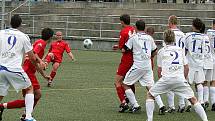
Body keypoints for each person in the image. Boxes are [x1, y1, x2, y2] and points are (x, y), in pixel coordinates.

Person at [146, 29, 208, 121]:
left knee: (150, 95)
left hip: (166, 79)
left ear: (164, 39)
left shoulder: (161, 51)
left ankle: (150, 119)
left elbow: (159, 70)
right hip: (179, 79)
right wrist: (183, 78)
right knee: (193, 100)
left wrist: (163, 81)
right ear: (174, 39)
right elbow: (186, 67)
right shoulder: (180, 50)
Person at [0, 15, 50, 121]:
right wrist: (40, 62)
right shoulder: (23, 36)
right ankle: (27, 117)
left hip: (1, 68)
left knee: (0, 94)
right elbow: (32, 56)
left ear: (10, 23)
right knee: (29, 89)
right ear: (20, 24)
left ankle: (22, 114)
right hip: (14, 68)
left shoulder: (1, 33)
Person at [123, 19, 165, 114]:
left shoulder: (133, 37)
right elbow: (155, 50)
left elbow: (125, 49)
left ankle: (135, 105)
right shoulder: (149, 38)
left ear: (135, 27)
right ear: (144, 27)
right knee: (151, 87)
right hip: (147, 66)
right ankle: (161, 106)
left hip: (138, 65)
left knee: (125, 84)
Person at [165, 15, 188, 113]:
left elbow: (165, 48)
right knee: (181, 82)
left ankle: (171, 106)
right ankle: (182, 104)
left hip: (170, 60)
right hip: (181, 60)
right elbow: (185, 48)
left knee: (169, 83)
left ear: (170, 22)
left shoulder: (168, 33)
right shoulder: (183, 34)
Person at [114, 14, 136, 113]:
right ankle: (132, 103)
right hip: (135, 59)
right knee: (130, 82)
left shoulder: (123, 31)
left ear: (122, 22)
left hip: (126, 59)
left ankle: (124, 103)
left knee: (117, 82)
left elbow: (123, 48)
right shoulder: (133, 29)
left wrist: (118, 47)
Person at [184, 18, 205, 109]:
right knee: (199, 83)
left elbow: (185, 49)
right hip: (199, 62)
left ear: (193, 26)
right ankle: (201, 101)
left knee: (187, 83)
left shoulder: (188, 35)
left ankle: (189, 103)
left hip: (190, 62)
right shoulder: (203, 37)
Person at [206, 20, 215, 111]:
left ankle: (204, 101)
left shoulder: (208, 32)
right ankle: (213, 102)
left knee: (205, 81)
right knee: (213, 82)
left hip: (209, 59)